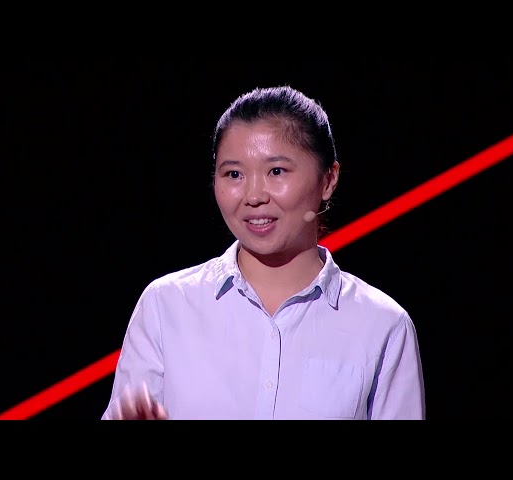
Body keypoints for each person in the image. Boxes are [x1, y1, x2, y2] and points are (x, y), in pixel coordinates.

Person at [101, 85, 426, 420]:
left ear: (328, 179)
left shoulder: (382, 325)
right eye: (234, 174)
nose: (254, 196)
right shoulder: (166, 306)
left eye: (276, 171)